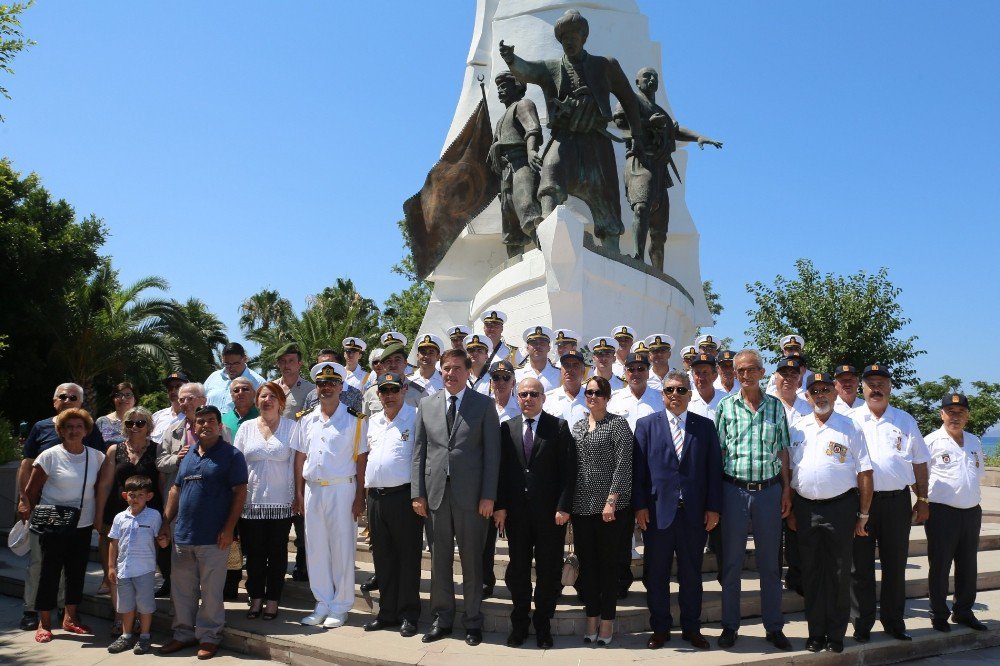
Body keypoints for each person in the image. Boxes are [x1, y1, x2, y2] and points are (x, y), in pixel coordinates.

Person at [499, 9, 643, 252]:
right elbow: (527, 70)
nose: (568, 41)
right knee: (550, 178)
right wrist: (511, 59)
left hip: (596, 142)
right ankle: (547, 238)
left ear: (583, 36)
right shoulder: (551, 67)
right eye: (564, 37)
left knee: (606, 200)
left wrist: (637, 136)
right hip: (564, 139)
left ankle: (611, 251)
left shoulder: (606, 65)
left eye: (572, 36)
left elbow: (629, 100)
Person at [410, 348, 500, 646]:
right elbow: (419, 453)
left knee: (473, 561)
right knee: (440, 561)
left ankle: (473, 620)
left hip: (472, 498)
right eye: (445, 368)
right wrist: (417, 494)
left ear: (468, 369)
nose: (450, 373)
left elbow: (492, 455)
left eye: (456, 368)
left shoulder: (484, 405)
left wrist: (489, 496)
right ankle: (442, 618)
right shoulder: (426, 404)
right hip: (436, 496)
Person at [633, 371, 722, 650]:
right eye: (670, 389)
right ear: (662, 394)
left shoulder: (705, 427)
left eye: (681, 390)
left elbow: (713, 471)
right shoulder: (646, 425)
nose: (675, 394)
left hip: (693, 514)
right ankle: (660, 629)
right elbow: (639, 472)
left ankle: (691, 629)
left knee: (691, 575)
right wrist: (640, 507)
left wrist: (713, 508)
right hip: (658, 513)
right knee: (656, 574)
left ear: (690, 394)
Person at [787, 372, 873, 653]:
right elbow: (787, 469)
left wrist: (863, 514)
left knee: (838, 574)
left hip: (840, 507)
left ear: (835, 394)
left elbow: (864, 471)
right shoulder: (797, 428)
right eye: (815, 391)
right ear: (807, 397)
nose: (821, 395)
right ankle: (815, 633)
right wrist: (789, 508)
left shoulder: (850, 427)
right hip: (805, 507)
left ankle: (836, 635)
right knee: (810, 573)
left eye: (826, 390)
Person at [714, 349, 792, 650]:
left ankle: (773, 627)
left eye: (751, 370)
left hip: (769, 492)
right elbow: (719, 453)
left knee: (770, 565)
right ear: (735, 374)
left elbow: (783, 451)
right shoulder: (725, 407)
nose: (745, 375)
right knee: (732, 564)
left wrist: (786, 489)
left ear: (762, 372)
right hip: (733, 491)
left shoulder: (775, 407)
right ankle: (730, 626)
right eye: (740, 371)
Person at [157, 405, 248, 659]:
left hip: (214, 538)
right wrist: (166, 521)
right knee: (182, 591)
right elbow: (175, 490)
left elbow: (240, 492)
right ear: (194, 426)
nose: (205, 425)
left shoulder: (232, 455)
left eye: (210, 421)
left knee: (211, 592)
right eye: (200, 422)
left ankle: (209, 637)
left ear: (220, 426)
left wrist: (229, 529)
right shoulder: (187, 456)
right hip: (183, 536)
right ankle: (183, 634)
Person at [848, 364, 930, 643]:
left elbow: (919, 462)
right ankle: (862, 623)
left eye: (882, 382)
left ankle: (894, 622)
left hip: (896, 502)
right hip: (862, 505)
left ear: (890, 387)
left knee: (896, 565)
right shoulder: (850, 418)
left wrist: (922, 498)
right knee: (860, 567)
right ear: (863, 388)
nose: (876, 388)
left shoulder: (905, 420)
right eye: (871, 383)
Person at [494, 378, 576, 648]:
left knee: (548, 571)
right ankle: (519, 625)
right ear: (517, 398)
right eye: (523, 394)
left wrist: (564, 507)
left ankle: (542, 625)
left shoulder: (559, 427)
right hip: (517, 516)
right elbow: (502, 472)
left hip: (550, 516)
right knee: (518, 571)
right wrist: (501, 507)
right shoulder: (507, 428)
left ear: (543, 397)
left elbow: (568, 471)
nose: (527, 399)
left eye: (533, 394)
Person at [16, 383, 105, 631]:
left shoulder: (96, 457)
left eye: (79, 426)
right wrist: (25, 505)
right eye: (69, 427)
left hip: (83, 522)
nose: (74, 430)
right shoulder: (49, 455)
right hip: (52, 522)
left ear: (87, 430)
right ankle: (43, 622)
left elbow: (101, 486)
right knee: (48, 571)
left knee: (75, 572)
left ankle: (70, 618)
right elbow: (32, 488)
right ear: (60, 430)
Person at [613, 67, 721, 269]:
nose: (652, 79)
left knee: (660, 232)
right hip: (640, 162)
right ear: (637, 82)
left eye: (655, 76)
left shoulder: (661, 112)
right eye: (646, 76)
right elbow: (619, 120)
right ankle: (638, 256)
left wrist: (698, 136)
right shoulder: (631, 99)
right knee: (641, 207)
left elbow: (676, 130)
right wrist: (646, 123)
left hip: (660, 171)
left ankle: (658, 272)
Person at [292, 362, 368, 629]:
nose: (327, 388)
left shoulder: (354, 420)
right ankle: (322, 602)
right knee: (316, 549)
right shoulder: (306, 419)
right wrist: (298, 492)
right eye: (322, 383)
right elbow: (300, 456)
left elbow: (361, 459)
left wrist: (360, 496)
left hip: (342, 488)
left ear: (341, 387)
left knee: (342, 548)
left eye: (332, 383)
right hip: (313, 489)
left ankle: (342, 604)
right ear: (317, 387)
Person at [570, 376, 634, 646]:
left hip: (610, 509)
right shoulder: (578, 426)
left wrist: (611, 500)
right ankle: (591, 618)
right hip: (582, 507)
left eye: (598, 392)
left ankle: (607, 622)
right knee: (589, 567)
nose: (593, 396)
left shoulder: (618, 424)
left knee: (609, 568)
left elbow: (624, 463)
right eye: (589, 392)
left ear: (607, 397)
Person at [362, 372, 424, 637]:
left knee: (408, 558)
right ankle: (386, 612)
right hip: (375, 497)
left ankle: (409, 614)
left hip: (404, 497)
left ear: (404, 390)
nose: (389, 395)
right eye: (384, 391)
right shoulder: (372, 421)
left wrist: (419, 495)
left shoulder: (416, 417)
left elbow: (421, 459)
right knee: (383, 558)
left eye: (394, 390)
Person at [94, 406, 162, 637]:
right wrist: (99, 513)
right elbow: (105, 484)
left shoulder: (157, 450)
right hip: (117, 515)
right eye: (130, 422)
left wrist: (165, 518)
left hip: (148, 516)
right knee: (116, 570)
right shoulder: (114, 450)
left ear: (148, 426)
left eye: (140, 422)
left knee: (143, 568)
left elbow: (162, 485)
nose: (134, 427)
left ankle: (141, 619)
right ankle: (120, 617)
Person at [232, 382, 296, 621]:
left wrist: (296, 497)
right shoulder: (246, 428)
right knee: (255, 554)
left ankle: (273, 601)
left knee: (278, 554)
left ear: (281, 402)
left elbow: (296, 465)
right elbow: (237, 465)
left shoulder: (292, 427)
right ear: (257, 401)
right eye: (262, 396)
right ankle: (256, 598)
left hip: (282, 503)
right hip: (251, 503)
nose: (266, 400)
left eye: (272, 396)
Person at [925, 393, 988, 632]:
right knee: (940, 565)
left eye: (960, 412)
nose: (955, 416)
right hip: (942, 512)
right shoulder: (931, 441)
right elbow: (920, 477)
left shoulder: (974, 441)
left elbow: (977, 473)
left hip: (971, 512)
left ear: (967, 416)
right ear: (941, 414)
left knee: (968, 565)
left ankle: (963, 611)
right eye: (950, 412)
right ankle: (939, 614)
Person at [106, 475, 168, 655]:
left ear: (148, 496)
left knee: (145, 604)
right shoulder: (120, 517)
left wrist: (164, 541)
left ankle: (145, 636)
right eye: (132, 495)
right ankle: (126, 635)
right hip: (124, 569)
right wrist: (111, 566)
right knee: (125, 605)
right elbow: (113, 542)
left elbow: (160, 539)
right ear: (125, 495)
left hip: (145, 570)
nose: (135, 499)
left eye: (141, 495)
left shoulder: (154, 516)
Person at [488, 73, 544, 257]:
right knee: (511, 226)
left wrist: (531, 151)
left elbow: (532, 129)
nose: (500, 90)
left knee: (527, 208)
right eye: (498, 87)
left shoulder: (523, 105)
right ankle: (513, 265)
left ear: (518, 86)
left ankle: (548, 252)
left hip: (522, 164)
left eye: (504, 86)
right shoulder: (500, 120)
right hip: (506, 172)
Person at [771, 356, 812, 597]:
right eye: (783, 374)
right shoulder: (766, 404)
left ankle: (797, 576)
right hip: (773, 475)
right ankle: (773, 576)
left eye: (793, 375)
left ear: (800, 379)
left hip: (801, 476)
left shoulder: (808, 407)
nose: (788, 379)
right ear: (775, 377)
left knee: (798, 530)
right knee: (773, 531)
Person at [608, 344, 664, 431]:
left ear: (648, 373)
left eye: (641, 369)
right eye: (631, 369)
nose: (636, 373)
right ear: (625, 373)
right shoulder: (614, 398)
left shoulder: (661, 399)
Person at [362, 343, 426, 416]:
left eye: (397, 360)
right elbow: (365, 423)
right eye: (388, 361)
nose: (393, 364)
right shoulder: (371, 392)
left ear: (405, 363)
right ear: (383, 365)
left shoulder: (419, 393)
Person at [203, 342, 265, 413]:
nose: (231, 368)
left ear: (245, 359)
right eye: (227, 364)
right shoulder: (213, 377)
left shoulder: (258, 382)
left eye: (236, 363)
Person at [543, 349, 589, 427]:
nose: (570, 369)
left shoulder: (592, 399)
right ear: (561, 370)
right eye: (566, 365)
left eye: (575, 365)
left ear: (583, 371)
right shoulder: (547, 399)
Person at [274, 343, 314, 419]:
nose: (286, 365)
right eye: (283, 361)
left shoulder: (310, 389)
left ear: (300, 363)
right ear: (278, 364)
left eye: (291, 361)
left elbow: (312, 414)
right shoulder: (271, 387)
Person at [515, 326, 560, 391]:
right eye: (534, 343)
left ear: (549, 348)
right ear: (527, 348)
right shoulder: (516, 374)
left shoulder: (559, 374)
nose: (538, 346)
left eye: (542, 343)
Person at [95, 382, 137, 447]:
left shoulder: (141, 422)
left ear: (135, 400)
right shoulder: (102, 422)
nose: (123, 398)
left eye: (128, 395)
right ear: (113, 399)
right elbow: (95, 447)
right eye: (119, 395)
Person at [152, 372, 188, 445]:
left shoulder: (194, 418)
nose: (173, 390)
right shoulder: (157, 416)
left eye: (178, 386)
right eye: (170, 387)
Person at [688, 353, 724, 421]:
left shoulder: (725, 400)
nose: (701, 378)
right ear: (692, 376)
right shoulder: (686, 400)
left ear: (715, 376)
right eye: (697, 373)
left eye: (705, 372)